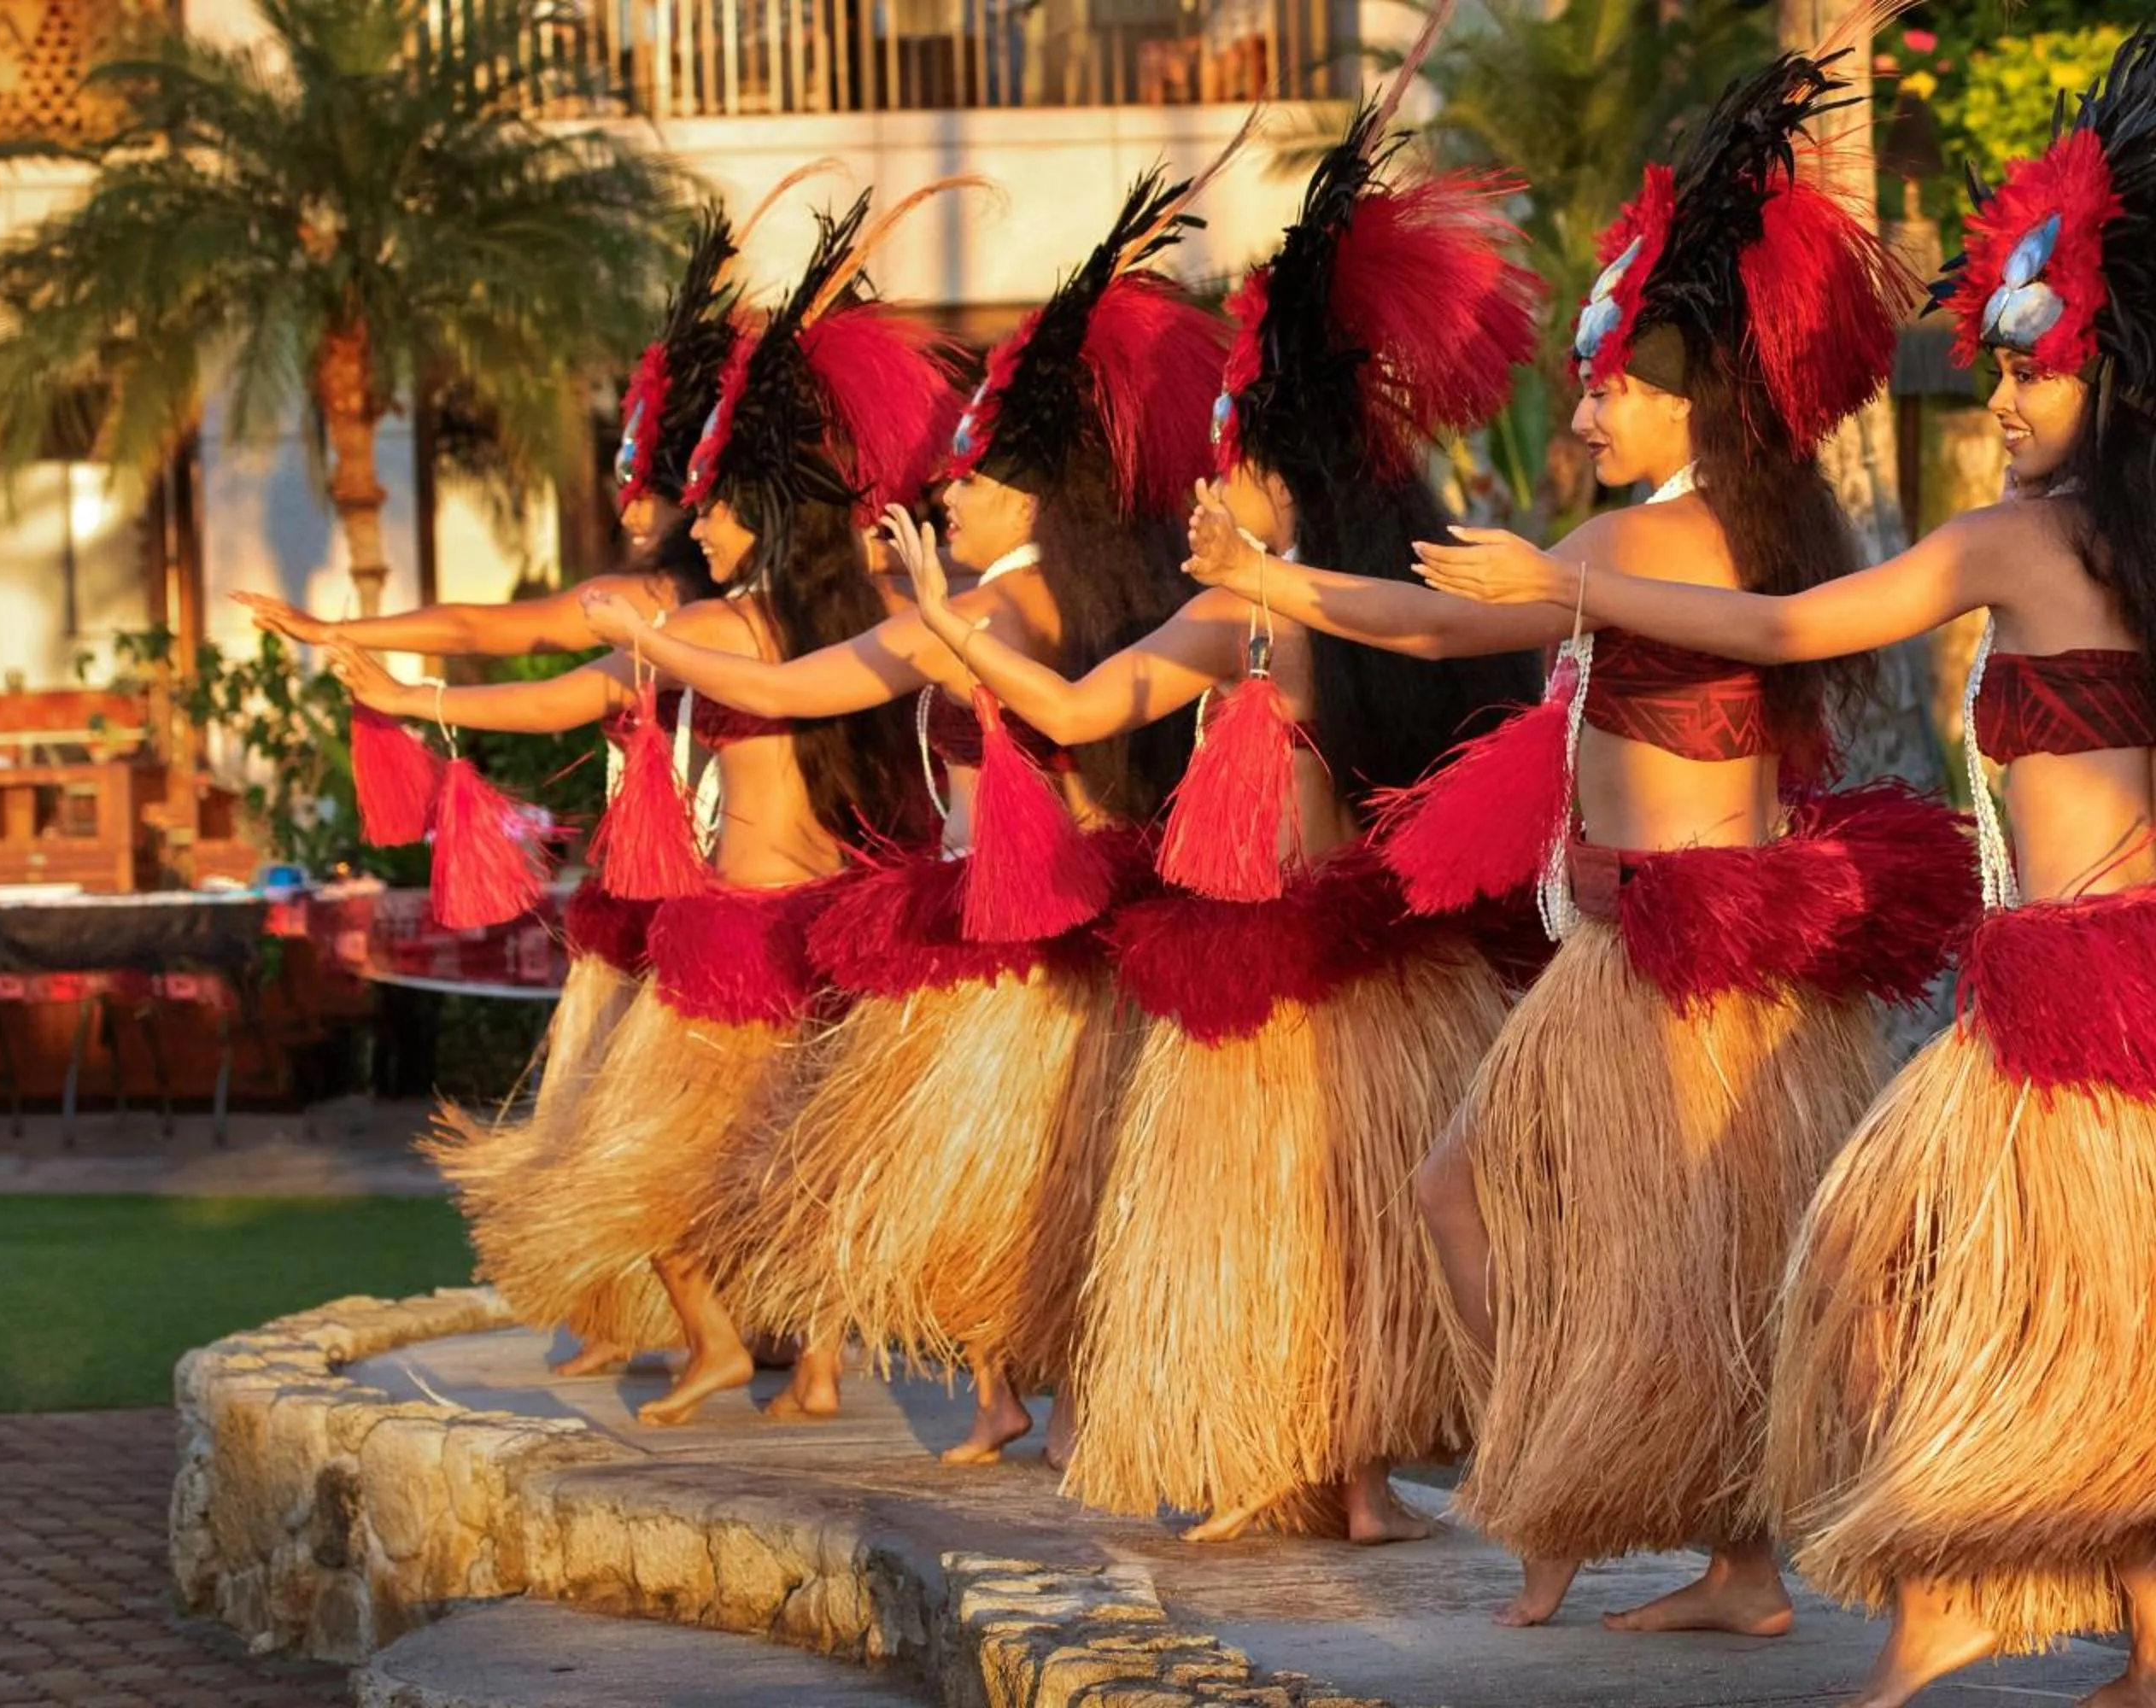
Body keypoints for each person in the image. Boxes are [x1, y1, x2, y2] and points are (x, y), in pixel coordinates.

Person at [1402, 6, 2156, 1701]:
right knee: (2118, 1319)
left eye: (2030, 366)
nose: (2003, 394)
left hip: (2060, 1020)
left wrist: (1566, 584)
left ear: (2109, 380)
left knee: (1873, 1278)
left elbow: (1796, 621)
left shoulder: (2014, 541)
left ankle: (1942, 1608)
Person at [1184, 27, 1971, 1623]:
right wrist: (1274, 586)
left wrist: (1551, 585)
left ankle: (1620, 1494)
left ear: (1688, 406)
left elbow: (1518, 611)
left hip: (1688, 966)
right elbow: (1434, 623)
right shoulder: (1651, 535)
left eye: (1612, 389)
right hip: (1629, 953)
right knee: (1565, 1221)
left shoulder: (1683, 542)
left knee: (1550, 1215)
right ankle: (1701, 1543)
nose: (1590, 410)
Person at [905, 76, 1544, 1543]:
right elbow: (1073, 715)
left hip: (1337, 969)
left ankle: (1362, 1476)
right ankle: (1312, 1467)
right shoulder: (1216, 622)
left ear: (1280, 480)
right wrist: (945, 623)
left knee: (1354, 1219)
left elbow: (1437, 648)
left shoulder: (1317, 610)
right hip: (1244, 952)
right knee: (1276, 1223)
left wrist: (1264, 587)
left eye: (1230, 467)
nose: (1206, 487)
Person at [580, 171, 1223, 1459]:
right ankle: (1008, 1395)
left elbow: (792, 685)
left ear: (1027, 500)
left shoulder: (984, 613)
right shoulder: (1077, 595)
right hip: (1077, 907)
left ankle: (1017, 1394)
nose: (950, 494)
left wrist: (656, 650)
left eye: (972, 483)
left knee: (973, 1164)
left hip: (1012, 925)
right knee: (1027, 1166)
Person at [333, 194, 959, 1426]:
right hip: (832, 921)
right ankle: (821, 1370)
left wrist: (418, 690)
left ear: (764, 515)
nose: (701, 524)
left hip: (735, 939)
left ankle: (721, 1343)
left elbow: (567, 690)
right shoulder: (857, 626)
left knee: (632, 1163)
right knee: (801, 1162)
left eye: (719, 506)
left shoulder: (716, 627)